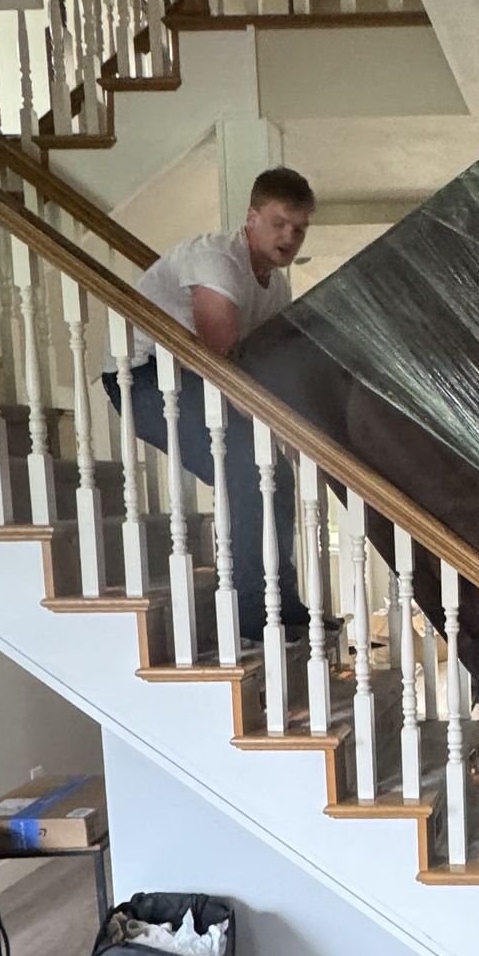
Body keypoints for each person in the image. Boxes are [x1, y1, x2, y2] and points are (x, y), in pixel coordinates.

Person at [103, 169, 316, 640]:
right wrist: (280, 429)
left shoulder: (277, 286)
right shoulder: (218, 261)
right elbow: (223, 365)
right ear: (252, 217)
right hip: (141, 377)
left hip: (193, 380)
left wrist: (299, 436)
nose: (289, 236)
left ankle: (282, 602)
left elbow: (272, 369)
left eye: (299, 228)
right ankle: (249, 614)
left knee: (274, 475)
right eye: (280, 222)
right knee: (246, 470)